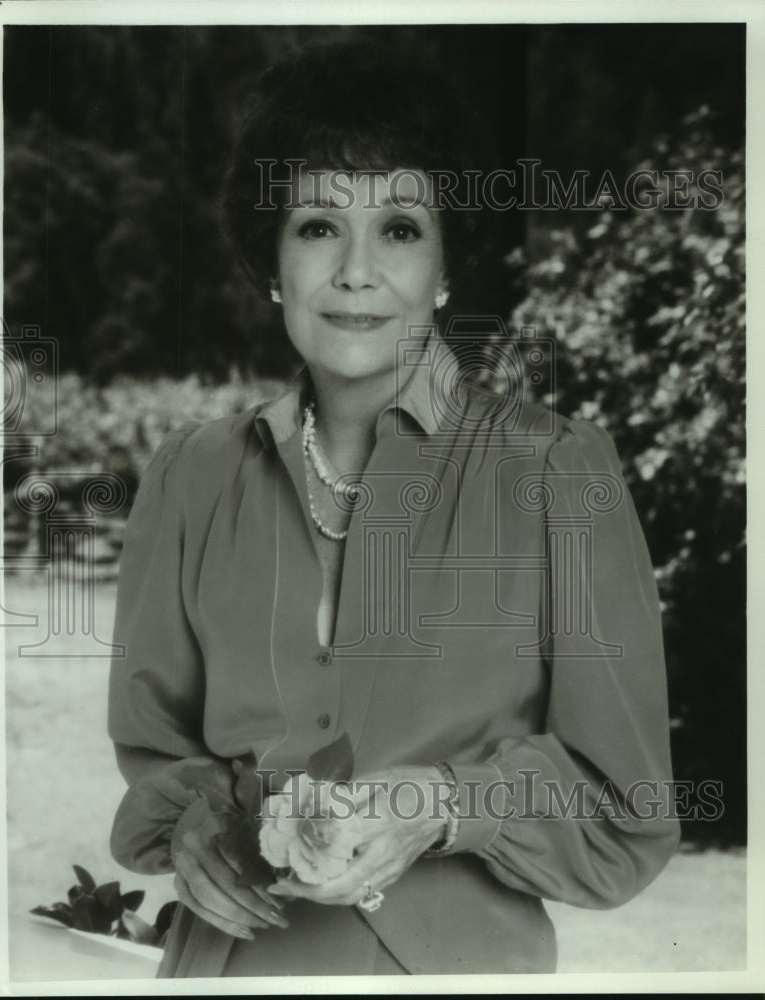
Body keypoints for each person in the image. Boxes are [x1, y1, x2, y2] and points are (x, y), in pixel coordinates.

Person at [107, 37, 680, 977]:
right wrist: (194, 823)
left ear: (447, 266)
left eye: (402, 229)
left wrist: (445, 805)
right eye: (319, 227)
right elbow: (156, 750)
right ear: (272, 262)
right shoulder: (191, 475)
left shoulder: (557, 474)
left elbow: (628, 806)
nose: (357, 271)